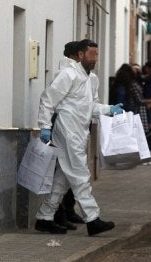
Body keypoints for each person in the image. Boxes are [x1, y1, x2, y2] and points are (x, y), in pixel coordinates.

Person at [36, 39, 123, 236]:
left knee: (63, 178)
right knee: (80, 175)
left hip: (79, 131)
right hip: (67, 130)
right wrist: (44, 126)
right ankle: (92, 219)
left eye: (97, 55)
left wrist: (109, 109)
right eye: (92, 55)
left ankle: (44, 217)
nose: (95, 59)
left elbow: (90, 106)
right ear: (81, 55)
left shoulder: (91, 79)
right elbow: (48, 100)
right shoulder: (68, 75)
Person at [52, 41, 84, 231]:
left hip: (74, 129)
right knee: (61, 173)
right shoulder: (65, 75)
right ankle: (58, 215)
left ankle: (67, 211)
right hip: (64, 129)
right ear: (75, 56)